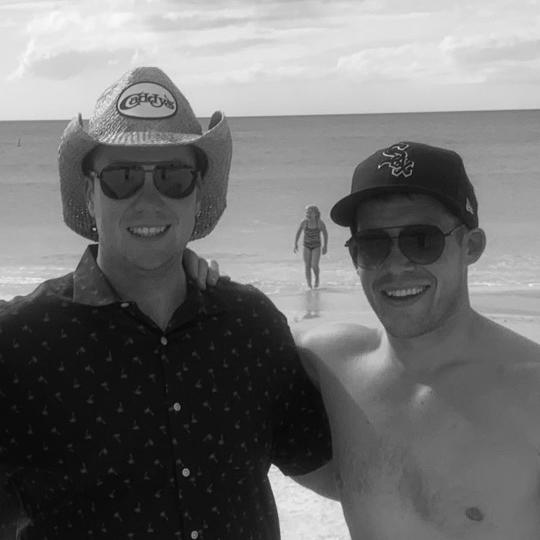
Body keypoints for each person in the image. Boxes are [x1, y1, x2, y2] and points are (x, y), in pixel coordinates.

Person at [0, 67, 331, 539]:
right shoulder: (20, 342)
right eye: (123, 177)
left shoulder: (250, 326)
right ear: (90, 194)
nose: (150, 199)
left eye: (173, 177)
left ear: (197, 194)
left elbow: (342, 475)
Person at [296, 141, 540, 539]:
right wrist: (195, 273)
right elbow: (235, 333)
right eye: (373, 245)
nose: (395, 265)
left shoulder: (531, 389)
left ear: (471, 246)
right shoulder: (330, 362)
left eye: (422, 241)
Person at [293, 205, 328, 288]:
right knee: (307, 265)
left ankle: (317, 278)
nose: (307, 213)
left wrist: (325, 246)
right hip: (306, 246)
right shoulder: (304, 222)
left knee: (314, 265)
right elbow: (298, 233)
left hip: (316, 246)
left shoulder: (320, 223)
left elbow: (325, 234)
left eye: (310, 211)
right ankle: (309, 285)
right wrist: (295, 244)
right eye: (307, 212)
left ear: (315, 213)